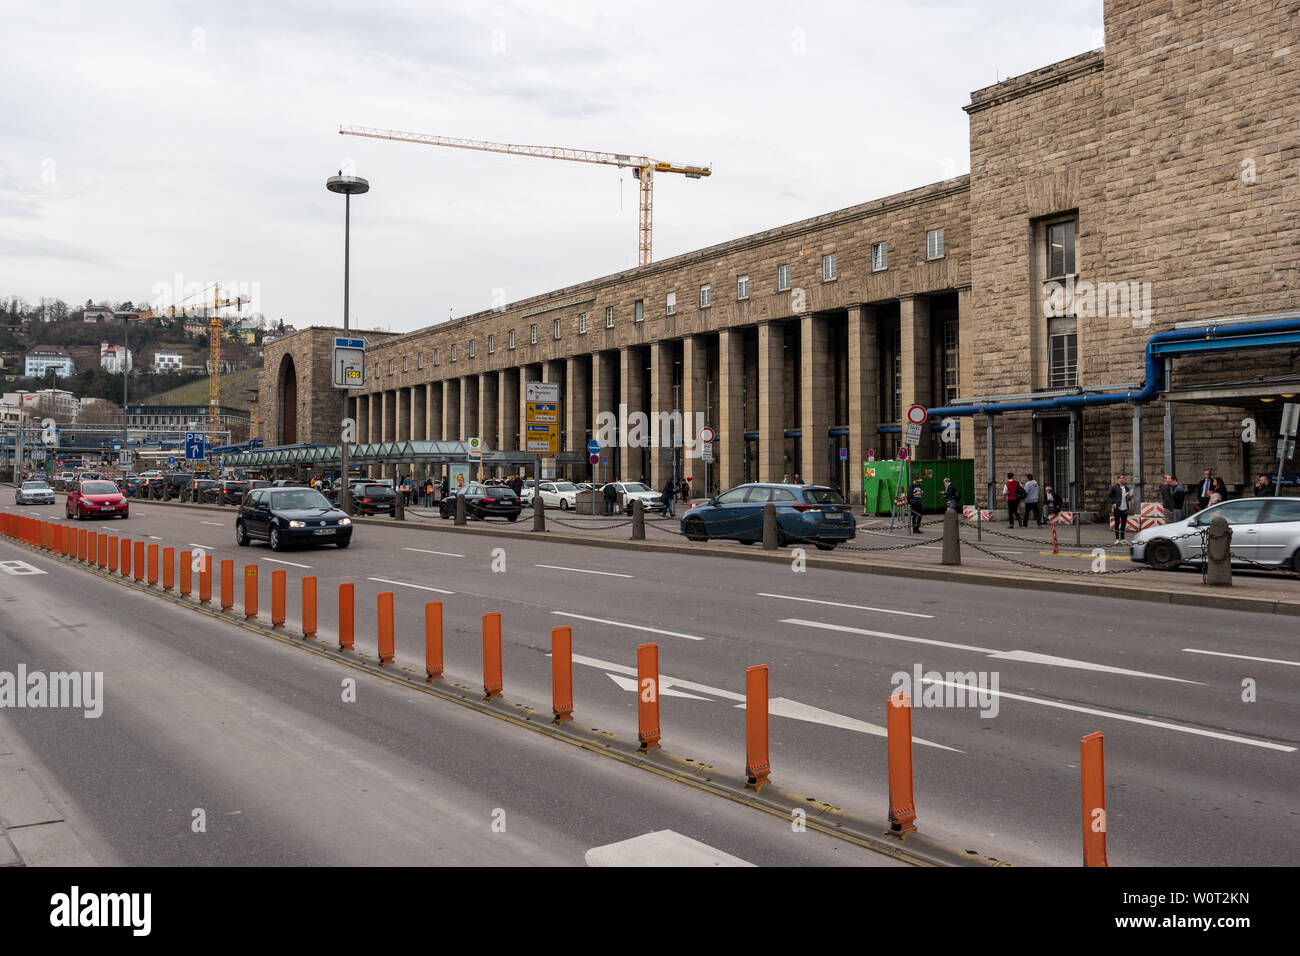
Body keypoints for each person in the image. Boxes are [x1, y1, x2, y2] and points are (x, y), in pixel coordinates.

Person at [1107, 473, 1133, 546]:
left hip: (1125, 508)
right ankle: (1117, 539)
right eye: (1121, 478)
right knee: (1117, 524)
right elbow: (1109, 496)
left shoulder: (1126, 488)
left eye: (1123, 478)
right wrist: (1113, 503)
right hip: (1117, 508)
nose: (1122, 479)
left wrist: (1130, 497)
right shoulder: (1114, 487)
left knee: (1123, 524)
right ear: (1118, 479)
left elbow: (1128, 499)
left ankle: (1123, 539)